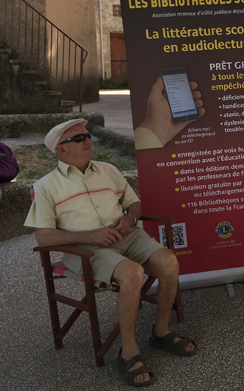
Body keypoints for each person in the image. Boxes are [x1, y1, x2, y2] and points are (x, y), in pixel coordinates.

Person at [25, 118, 197, 387]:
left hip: (127, 236)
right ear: (61, 150)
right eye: (79, 139)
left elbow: (134, 204)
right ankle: (128, 351)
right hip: (85, 249)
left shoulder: (108, 170)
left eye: (88, 135)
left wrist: (130, 219)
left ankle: (160, 332)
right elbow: (44, 237)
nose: (88, 141)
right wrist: (91, 236)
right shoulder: (46, 186)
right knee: (132, 274)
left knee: (168, 262)